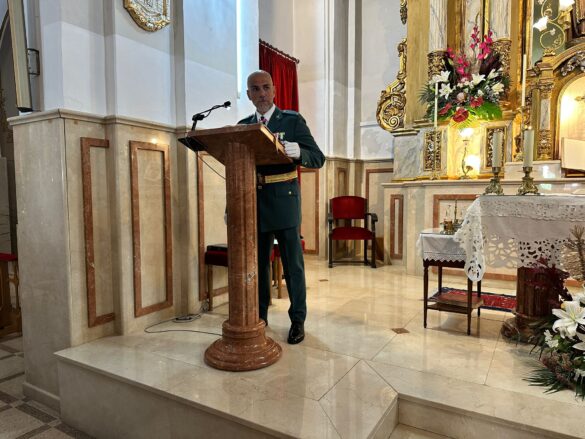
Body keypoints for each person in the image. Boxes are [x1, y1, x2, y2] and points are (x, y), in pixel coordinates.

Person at [238, 70, 325, 344]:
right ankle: (259, 316)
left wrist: (299, 153)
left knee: (292, 266)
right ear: (248, 94)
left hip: (285, 201)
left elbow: (318, 157)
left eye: (266, 87)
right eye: (255, 89)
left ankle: (297, 319)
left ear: (274, 90)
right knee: (259, 265)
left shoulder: (291, 120)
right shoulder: (244, 126)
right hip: (254, 202)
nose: (262, 93)